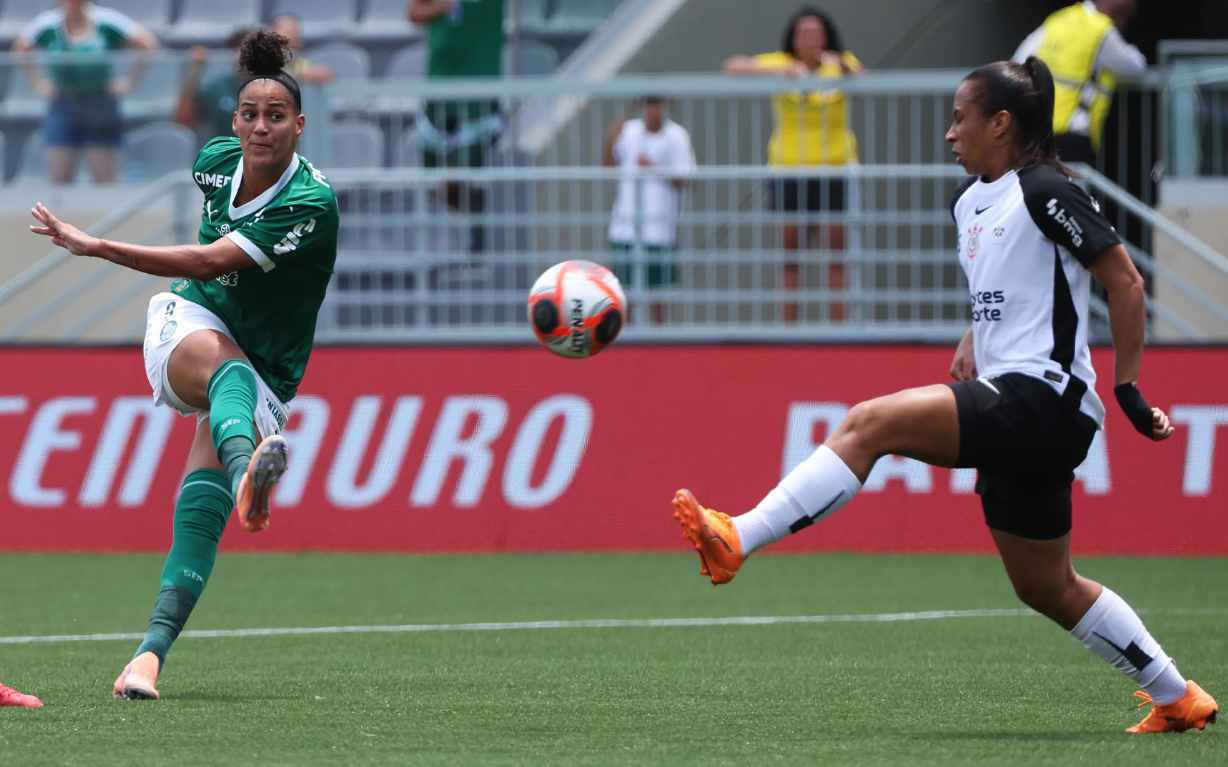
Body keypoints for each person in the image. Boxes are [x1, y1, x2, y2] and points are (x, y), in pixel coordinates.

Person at [671, 57, 1219, 734]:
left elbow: (1125, 281)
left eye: (960, 118)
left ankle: (738, 537)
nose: (948, 134)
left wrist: (1128, 386)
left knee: (867, 423)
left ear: (1002, 122)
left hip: (1045, 398)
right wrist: (974, 333)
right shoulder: (969, 201)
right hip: (1017, 397)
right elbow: (1019, 281)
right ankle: (1177, 695)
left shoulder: (1047, 187)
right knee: (1046, 585)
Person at [29, 30, 338, 701]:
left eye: (276, 116)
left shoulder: (311, 204)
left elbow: (210, 256)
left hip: (269, 368)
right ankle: (247, 467)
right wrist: (98, 246)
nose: (261, 126)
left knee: (201, 516)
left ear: (300, 126)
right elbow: (200, 274)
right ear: (235, 121)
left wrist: (97, 246)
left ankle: (146, 658)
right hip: (187, 323)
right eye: (250, 114)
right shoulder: (214, 162)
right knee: (224, 377)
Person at [723, 7, 862, 323]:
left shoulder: (841, 63)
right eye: (804, 33)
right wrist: (781, 72)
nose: (810, 39)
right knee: (790, 257)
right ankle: (788, 332)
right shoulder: (781, 63)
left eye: (816, 33)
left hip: (834, 171)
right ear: (793, 38)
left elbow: (865, 78)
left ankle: (841, 331)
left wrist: (841, 65)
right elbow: (732, 67)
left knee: (837, 256)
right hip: (788, 171)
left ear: (827, 37)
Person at [13, 0, 157, 184]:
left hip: (99, 105)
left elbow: (147, 43)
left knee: (103, 179)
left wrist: (130, 82)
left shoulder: (107, 20)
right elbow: (21, 48)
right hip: (63, 105)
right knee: (59, 180)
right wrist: (38, 84)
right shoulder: (47, 24)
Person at [409, 0, 504, 253]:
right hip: (439, 89)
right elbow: (414, 13)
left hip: (481, 94)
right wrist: (440, 8)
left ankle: (474, 249)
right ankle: (448, 248)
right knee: (436, 182)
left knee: (465, 176)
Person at [1012, 0, 1145, 164]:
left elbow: (1018, 61)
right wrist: (1134, 50)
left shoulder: (1059, 19)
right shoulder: (1100, 29)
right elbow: (1133, 67)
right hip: (1071, 131)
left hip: (1037, 128)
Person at [602, 97, 696, 325]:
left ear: (667, 106)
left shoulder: (677, 136)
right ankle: (625, 342)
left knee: (660, 293)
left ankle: (661, 342)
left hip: (661, 227)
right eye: (648, 104)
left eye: (657, 104)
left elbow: (687, 178)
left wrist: (654, 168)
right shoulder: (628, 131)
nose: (652, 110)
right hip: (626, 225)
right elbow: (607, 169)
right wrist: (610, 140)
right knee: (624, 291)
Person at [174, 31, 247, 141]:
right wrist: (195, 70)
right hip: (227, 154)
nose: (242, 54)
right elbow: (183, 119)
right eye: (236, 48)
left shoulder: (275, 86)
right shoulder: (218, 87)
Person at [269, 14, 335, 84]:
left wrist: (316, 73)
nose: (291, 34)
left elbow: (309, 71)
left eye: (295, 30)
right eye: (286, 30)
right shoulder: (264, 58)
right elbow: (270, 77)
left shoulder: (297, 60)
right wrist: (301, 77)